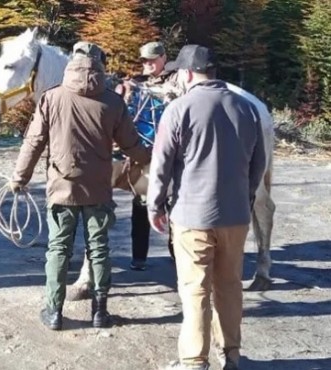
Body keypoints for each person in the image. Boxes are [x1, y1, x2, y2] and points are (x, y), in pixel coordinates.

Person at [10, 41, 151, 330]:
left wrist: (19, 178)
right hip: (98, 188)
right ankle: (100, 312)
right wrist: (153, 161)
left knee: (58, 249)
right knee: (99, 249)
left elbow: (33, 142)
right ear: (100, 63)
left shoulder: (51, 98)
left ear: (71, 62)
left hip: (62, 187)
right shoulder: (113, 101)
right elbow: (131, 145)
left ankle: (54, 312)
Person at [146, 45, 266, 370]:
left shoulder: (178, 109)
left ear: (186, 74)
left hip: (191, 216)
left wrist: (154, 205)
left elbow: (161, 165)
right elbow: (259, 163)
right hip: (236, 217)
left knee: (195, 290)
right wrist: (246, 196)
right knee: (229, 286)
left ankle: (194, 361)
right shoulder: (247, 109)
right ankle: (231, 355)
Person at [118, 41, 182, 271]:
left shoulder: (178, 81)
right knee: (142, 203)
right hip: (144, 155)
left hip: (174, 155)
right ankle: (139, 257)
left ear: (164, 58)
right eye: (144, 60)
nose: (148, 64)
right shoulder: (135, 84)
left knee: (175, 206)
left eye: (152, 59)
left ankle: (178, 255)